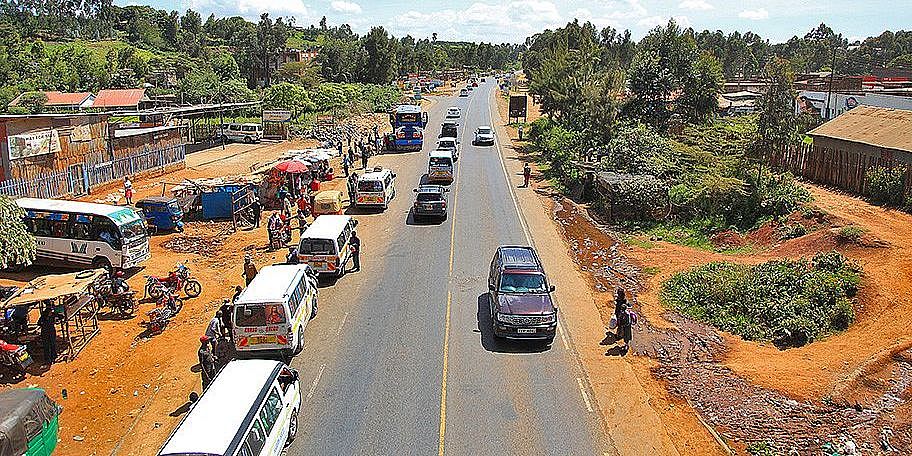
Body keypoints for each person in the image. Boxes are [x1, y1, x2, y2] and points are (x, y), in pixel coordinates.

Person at [614, 288, 633, 352]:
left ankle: (619, 336)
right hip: (619, 316)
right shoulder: (621, 300)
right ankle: (619, 335)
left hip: (622, 319)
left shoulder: (623, 301)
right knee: (619, 326)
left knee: (622, 329)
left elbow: (629, 305)